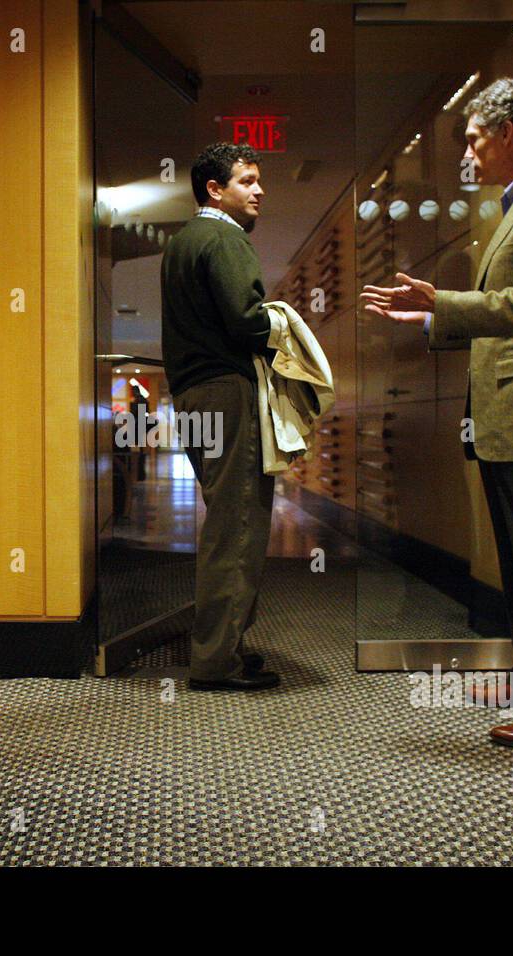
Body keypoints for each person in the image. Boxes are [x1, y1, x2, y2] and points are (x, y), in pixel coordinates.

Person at [361, 79, 513, 747]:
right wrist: (433, 311)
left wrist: (444, 301)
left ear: (507, 133)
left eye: (473, 137)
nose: (468, 151)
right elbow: (511, 307)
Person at [162, 142, 279, 692]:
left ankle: (224, 646)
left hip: (190, 395)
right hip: (228, 392)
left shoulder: (181, 243)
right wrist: (280, 327)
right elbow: (246, 320)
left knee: (222, 519)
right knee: (237, 527)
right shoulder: (226, 238)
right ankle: (216, 663)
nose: (259, 191)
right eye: (247, 181)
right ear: (215, 189)